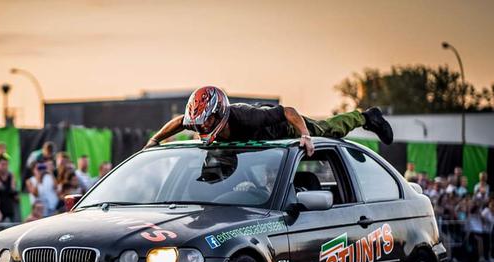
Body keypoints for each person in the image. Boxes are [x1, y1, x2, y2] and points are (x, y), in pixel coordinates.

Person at [144, 86, 393, 156]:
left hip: (283, 128)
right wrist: (155, 140)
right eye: (198, 123)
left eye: (205, 123)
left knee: (328, 131)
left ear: (220, 114)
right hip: (258, 144)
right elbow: (179, 121)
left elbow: (288, 111)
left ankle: (366, 117)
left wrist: (305, 134)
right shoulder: (201, 120)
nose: (201, 128)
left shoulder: (247, 116)